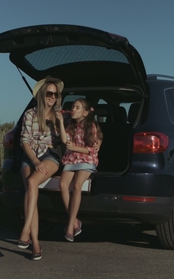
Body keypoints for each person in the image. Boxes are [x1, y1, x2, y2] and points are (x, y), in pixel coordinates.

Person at [17, 76, 63, 261]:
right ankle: (35, 243)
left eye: (55, 93)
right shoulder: (30, 114)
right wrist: (35, 161)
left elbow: (64, 140)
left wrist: (59, 122)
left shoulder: (60, 114)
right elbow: (24, 141)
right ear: (42, 95)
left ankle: (25, 230)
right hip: (31, 156)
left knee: (32, 182)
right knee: (31, 188)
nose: (52, 97)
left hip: (51, 154)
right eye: (49, 93)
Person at [56, 98, 102, 242]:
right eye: (72, 107)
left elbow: (91, 150)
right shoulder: (71, 125)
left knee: (77, 185)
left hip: (86, 160)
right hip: (71, 158)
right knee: (63, 185)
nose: (73, 110)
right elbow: (64, 140)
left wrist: (75, 148)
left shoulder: (92, 126)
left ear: (85, 113)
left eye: (77, 108)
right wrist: (60, 122)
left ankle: (70, 226)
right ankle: (75, 221)